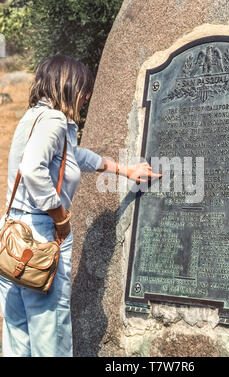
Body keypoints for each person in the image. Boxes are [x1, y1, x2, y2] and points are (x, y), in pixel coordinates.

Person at [0, 55, 160, 357]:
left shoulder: (32, 118)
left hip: (13, 234)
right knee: (51, 333)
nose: (86, 96)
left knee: (17, 335)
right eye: (84, 89)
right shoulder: (55, 121)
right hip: (42, 237)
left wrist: (122, 169)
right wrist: (59, 217)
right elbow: (33, 167)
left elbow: (72, 156)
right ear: (68, 84)